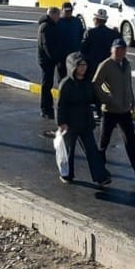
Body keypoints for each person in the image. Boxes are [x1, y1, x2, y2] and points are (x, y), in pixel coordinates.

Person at [93, 37, 135, 180]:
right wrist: (108, 98)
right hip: (110, 111)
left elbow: (128, 84)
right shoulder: (106, 65)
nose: (120, 52)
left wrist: (132, 100)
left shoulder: (126, 64)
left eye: (123, 49)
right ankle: (98, 170)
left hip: (125, 110)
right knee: (103, 142)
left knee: (131, 140)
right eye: (117, 50)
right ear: (112, 50)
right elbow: (96, 84)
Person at [55, 52, 112, 186]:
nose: (83, 68)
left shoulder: (87, 83)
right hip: (70, 124)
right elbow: (60, 105)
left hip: (86, 122)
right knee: (69, 151)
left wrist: (101, 108)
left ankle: (101, 177)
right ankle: (67, 175)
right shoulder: (66, 84)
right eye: (80, 65)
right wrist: (61, 123)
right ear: (73, 67)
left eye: (84, 65)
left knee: (92, 150)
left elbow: (95, 99)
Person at [37, 7, 63, 119]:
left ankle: (48, 108)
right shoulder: (46, 27)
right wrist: (56, 59)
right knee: (46, 85)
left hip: (49, 60)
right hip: (46, 61)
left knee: (48, 84)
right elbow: (47, 46)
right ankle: (45, 109)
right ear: (53, 15)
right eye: (58, 15)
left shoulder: (51, 25)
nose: (59, 18)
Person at [55, 3, 84, 82]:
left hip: (74, 54)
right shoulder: (57, 22)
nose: (68, 13)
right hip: (61, 55)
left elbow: (81, 35)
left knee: (74, 75)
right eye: (66, 11)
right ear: (62, 10)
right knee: (62, 77)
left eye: (70, 11)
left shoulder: (77, 21)